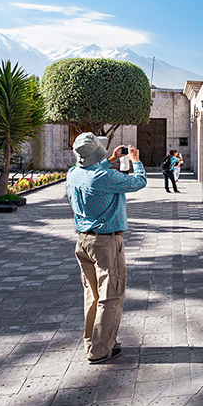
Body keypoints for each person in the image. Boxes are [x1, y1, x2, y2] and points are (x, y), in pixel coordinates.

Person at [66, 133, 146, 364]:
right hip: (105, 243)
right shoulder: (104, 177)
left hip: (84, 242)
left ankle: (93, 342)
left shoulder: (74, 173)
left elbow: (93, 171)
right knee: (111, 295)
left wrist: (110, 159)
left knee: (92, 295)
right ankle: (100, 350)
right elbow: (138, 182)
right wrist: (136, 160)